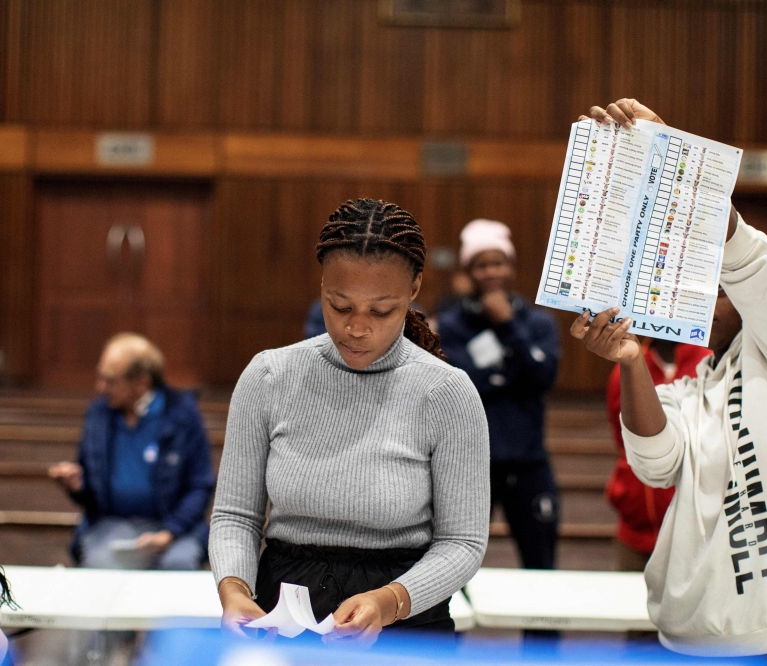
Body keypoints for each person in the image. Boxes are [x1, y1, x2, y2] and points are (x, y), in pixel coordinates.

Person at [572, 99, 767, 656]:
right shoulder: (687, 389)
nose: (702, 297)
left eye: (718, 289)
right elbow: (655, 465)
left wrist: (666, 155)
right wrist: (629, 360)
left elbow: (759, 268)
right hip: (693, 634)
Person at [210, 199, 490, 646]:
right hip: (283, 611)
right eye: (339, 306)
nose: (357, 328)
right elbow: (236, 515)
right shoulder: (268, 376)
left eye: (381, 311)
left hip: (405, 619)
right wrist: (234, 589)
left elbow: (462, 543)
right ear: (322, 284)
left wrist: (390, 601)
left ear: (415, 288)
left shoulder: (447, 393)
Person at [437, 219, 561, 571]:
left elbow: (542, 376)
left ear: (511, 267)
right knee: (455, 570)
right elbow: (460, 385)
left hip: (530, 462)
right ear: (468, 271)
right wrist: (510, 374)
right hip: (474, 466)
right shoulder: (451, 325)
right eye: (481, 264)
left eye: (498, 262)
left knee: (542, 569)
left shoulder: (537, 324)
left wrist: (507, 326)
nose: (491, 271)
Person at [48, 334, 215, 570]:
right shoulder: (99, 414)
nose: (100, 387)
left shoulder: (183, 415)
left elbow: (200, 484)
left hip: (172, 526)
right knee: (102, 567)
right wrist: (77, 484)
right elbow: (91, 493)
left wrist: (171, 532)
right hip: (112, 524)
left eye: (110, 380)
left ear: (142, 383)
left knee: (177, 567)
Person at [605, 340, 709, 572]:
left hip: (698, 536)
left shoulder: (710, 364)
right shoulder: (627, 364)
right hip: (635, 531)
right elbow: (623, 442)